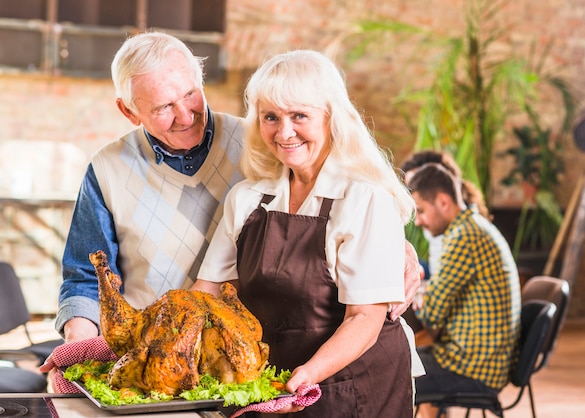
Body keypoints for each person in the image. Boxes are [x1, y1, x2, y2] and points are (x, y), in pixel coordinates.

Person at [40, 32, 421, 392]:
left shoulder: (256, 146)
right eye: (162, 107)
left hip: (310, 370)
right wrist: (94, 348)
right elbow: (93, 277)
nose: (186, 115)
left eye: (190, 94)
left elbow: (356, 218)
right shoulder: (113, 169)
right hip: (190, 364)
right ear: (129, 110)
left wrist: (396, 250)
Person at [191, 49, 416, 417]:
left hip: (354, 385)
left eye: (299, 115)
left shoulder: (364, 199)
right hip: (276, 381)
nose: (285, 132)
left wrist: (303, 379)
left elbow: (364, 318)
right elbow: (208, 293)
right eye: (271, 117)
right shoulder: (247, 199)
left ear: (331, 118)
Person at [408, 162, 521, 418]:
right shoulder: (474, 228)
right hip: (480, 362)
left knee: (385, 372)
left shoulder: (464, 237)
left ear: (443, 202)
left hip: (473, 370)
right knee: (402, 359)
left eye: (422, 211)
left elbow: (432, 314)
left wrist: (423, 296)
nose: (420, 222)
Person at [401, 149, 490, 280]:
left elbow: (438, 295)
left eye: (418, 184)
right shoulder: (461, 221)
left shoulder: (463, 234)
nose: (412, 196)